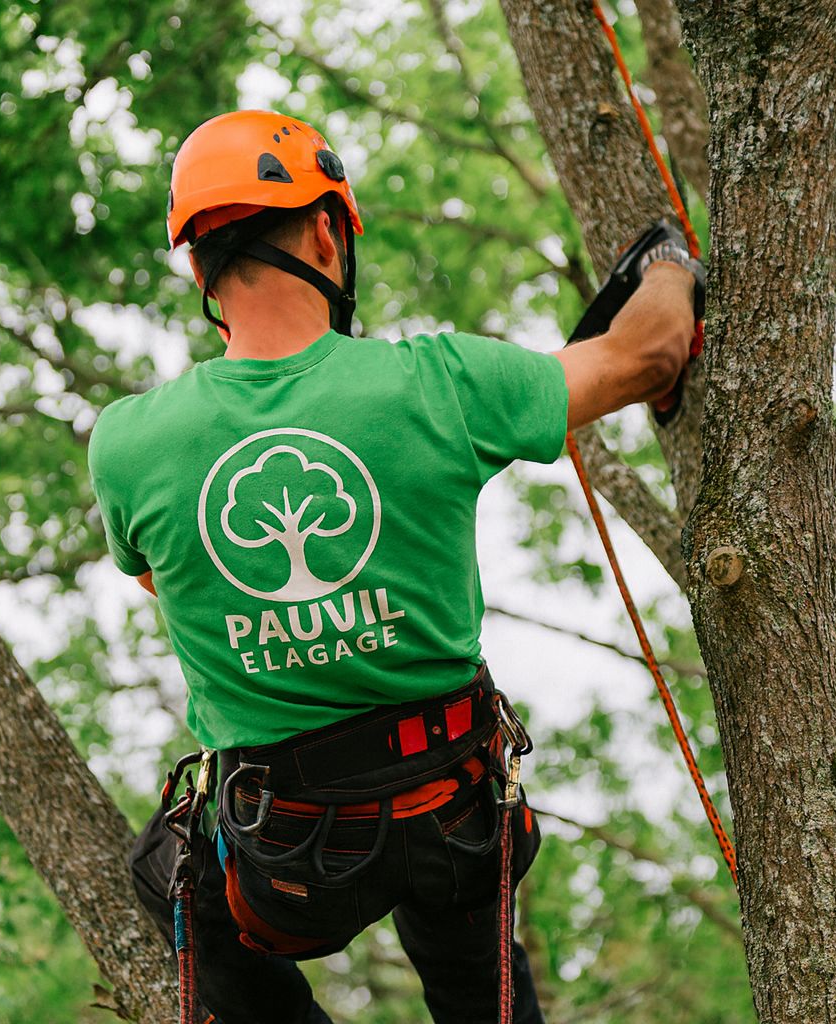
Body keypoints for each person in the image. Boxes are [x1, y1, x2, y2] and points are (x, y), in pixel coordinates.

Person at [87, 110, 699, 1024]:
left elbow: (163, 579)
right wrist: (668, 265)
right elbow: (651, 351)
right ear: (329, 229)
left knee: (164, 877)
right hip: (449, 811)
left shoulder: (130, 444)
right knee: (473, 970)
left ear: (196, 266)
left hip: (284, 852)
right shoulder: (438, 383)